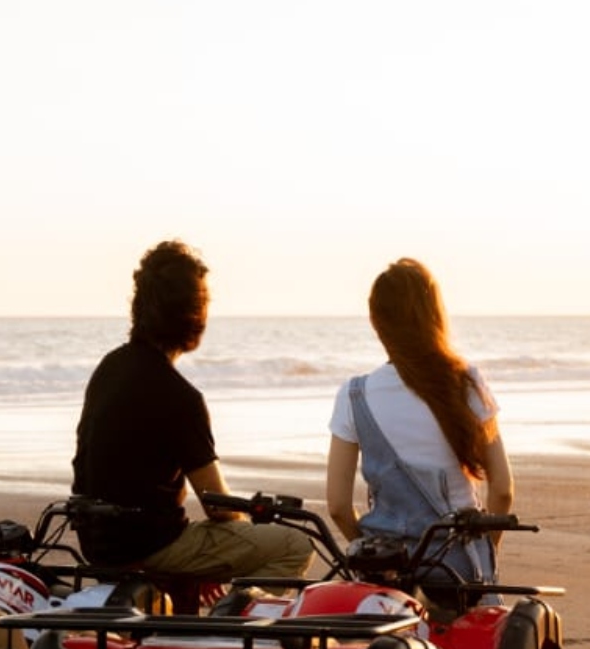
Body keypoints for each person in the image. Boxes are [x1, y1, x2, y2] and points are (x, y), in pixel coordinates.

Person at [71, 240, 314, 585]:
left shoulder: (108, 368)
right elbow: (220, 507)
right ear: (194, 315)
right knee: (293, 544)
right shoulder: (180, 396)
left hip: (98, 543)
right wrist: (238, 543)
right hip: (149, 546)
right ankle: (232, 620)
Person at [326, 258, 514, 584]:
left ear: (375, 321)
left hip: (386, 571)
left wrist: (370, 550)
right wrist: (485, 554)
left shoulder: (353, 395)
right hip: (456, 567)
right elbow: (502, 490)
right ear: (435, 316)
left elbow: (339, 506)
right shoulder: (466, 382)